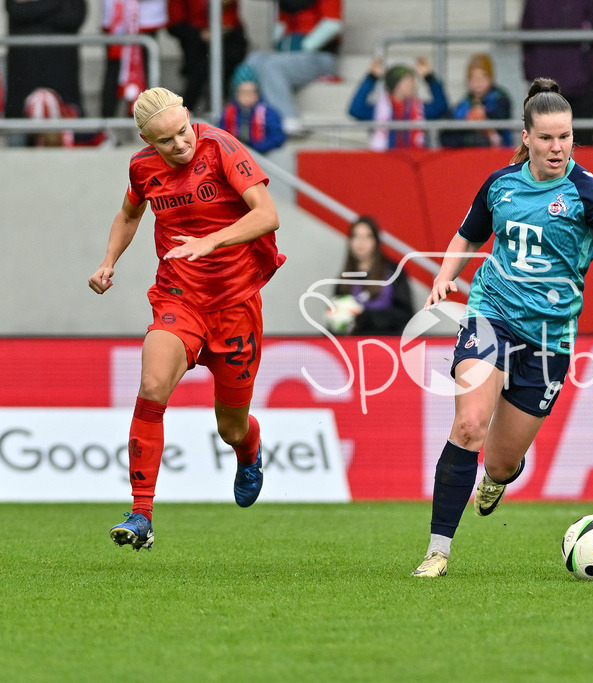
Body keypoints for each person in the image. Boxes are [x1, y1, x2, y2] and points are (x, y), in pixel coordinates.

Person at [411, 78, 593, 578]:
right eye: (547, 138)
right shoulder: (501, 185)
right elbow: (466, 235)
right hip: (491, 313)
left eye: (566, 137)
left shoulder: (592, 195)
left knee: (498, 463)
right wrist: (444, 279)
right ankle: (437, 551)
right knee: (469, 424)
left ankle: (496, 480)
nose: (557, 148)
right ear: (527, 137)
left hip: (549, 339)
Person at [88, 87, 285, 549]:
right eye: (165, 141)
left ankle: (249, 449)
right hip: (179, 297)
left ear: (190, 118)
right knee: (152, 387)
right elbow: (129, 214)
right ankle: (141, 513)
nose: (180, 145)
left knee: (231, 427)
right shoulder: (141, 168)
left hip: (236, 304)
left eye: (182, 132)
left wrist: (210, 241)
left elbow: (268, 215)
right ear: (145, 140)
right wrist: (108, 260)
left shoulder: (221, 148)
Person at [243, 0, 343, 135]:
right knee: (254, 60)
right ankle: (246, 114)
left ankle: (288, 118)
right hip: (289, 54)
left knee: (273, 66)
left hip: (319, 55)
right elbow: (281, 24)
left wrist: (304, 45)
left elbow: (333, 24)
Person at [520, 0, 593, 147]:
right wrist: (534, 74)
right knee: (544, 147)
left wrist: (586, 73)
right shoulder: (534, 3)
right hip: (546, 89)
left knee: (582, 147)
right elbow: (526, 37)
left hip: (582, 89)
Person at [4, 0, 87, 141]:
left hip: (63, 81)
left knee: (66, 153)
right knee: (18, 146)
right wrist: (59, 4)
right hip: (23, 83)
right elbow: (17, 12)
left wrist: (32, 8)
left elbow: (74, 17)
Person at [325, 216, 414, 335]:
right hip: (351, 347)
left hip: (387, 344)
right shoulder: (344, 278)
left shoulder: (393, 272)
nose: (361, 242)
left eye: (367, 236)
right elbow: (335, 322)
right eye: (356, 236)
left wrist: (366, 316)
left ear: (376, 241)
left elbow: (406, 315)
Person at [348, 57, 449, 151]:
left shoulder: (419, 109)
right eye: (409, 80)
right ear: (397, 84)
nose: (415, 85)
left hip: (414, 162)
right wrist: (371, 78)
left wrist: (429, 78)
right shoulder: (379, 110)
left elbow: (441, 106)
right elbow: (356, 110)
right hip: (385, 163)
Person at [166, 0, 249, 111]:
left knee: (230, 63)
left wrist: (221, 29)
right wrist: (199, 33)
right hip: (195, 38)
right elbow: (175, 21)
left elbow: (231, 18)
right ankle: (187, 111)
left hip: (227, 36)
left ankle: (226, 111)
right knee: (197, 71)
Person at [101, 0, 168, 119]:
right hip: (117, 19)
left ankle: (145, 120)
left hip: (146, 19)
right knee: (114, 70)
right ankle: (106, 122)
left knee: (146, 72)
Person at [440, 53, 512, 149]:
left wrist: (483, 117)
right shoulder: (463, 104)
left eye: (483, 77)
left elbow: (501, 118)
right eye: (473, 78)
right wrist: (468, 122)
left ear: (491, 78)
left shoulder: (500, 99)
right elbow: (445, 136)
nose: (478, 82)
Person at [218, 65, 287, 154]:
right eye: (243, 92)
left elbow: (277, 137)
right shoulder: (228, 113)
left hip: (262, 155)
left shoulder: (268, 113)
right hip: (235, 155)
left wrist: (257, 146)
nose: (247, 97)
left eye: (251, 92)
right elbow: (221, 135)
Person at [23, 86, 106, 147]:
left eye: (45, 133)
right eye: (37, 135)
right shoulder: (29, 144)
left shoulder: (83, 136)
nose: (42, 140)